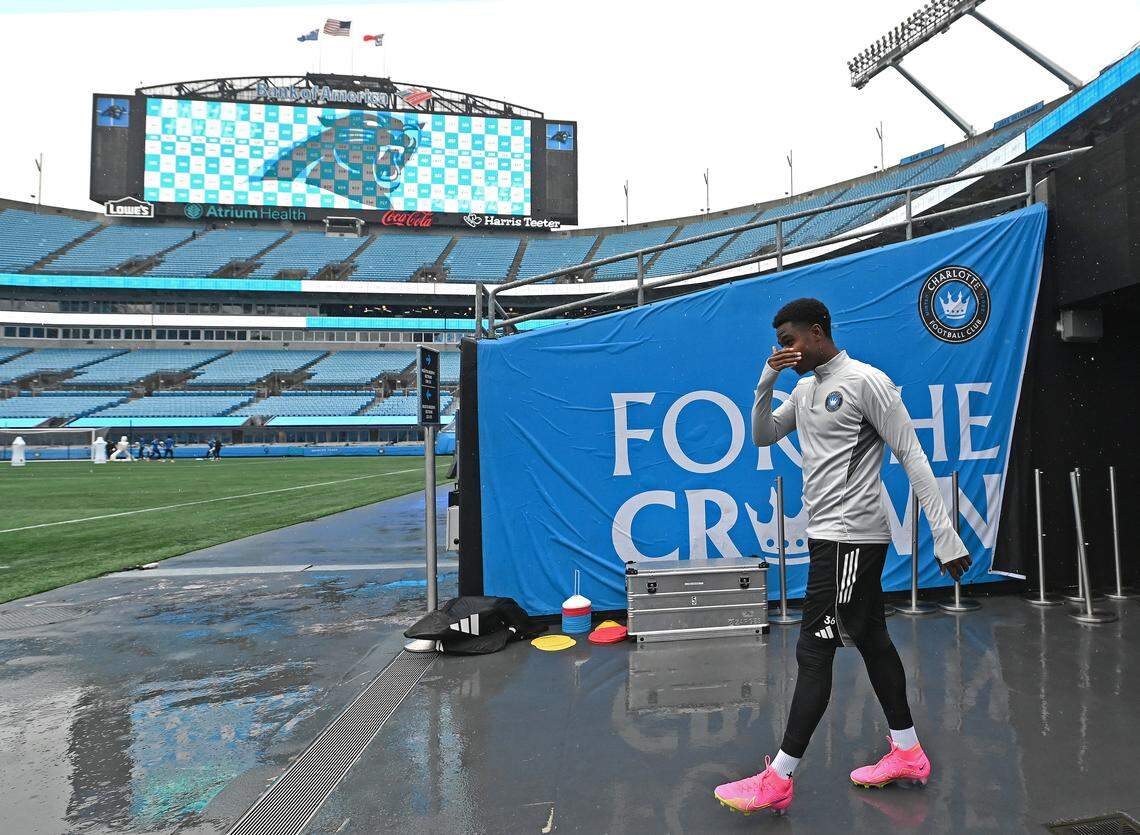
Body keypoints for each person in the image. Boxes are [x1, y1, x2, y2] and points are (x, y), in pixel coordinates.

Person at [714, 298, 971, 816]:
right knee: (871, 637)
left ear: (817, 331)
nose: (784, 350)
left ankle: (779, 777)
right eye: (778, 343)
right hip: (828, 538)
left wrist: (946, 535)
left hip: (852, 539)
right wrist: (766, 381)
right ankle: (907, 751)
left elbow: (912, 456)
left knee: (814, 650)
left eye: (790, 341)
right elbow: (764, 435)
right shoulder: (805, 388)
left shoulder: (866, 382)